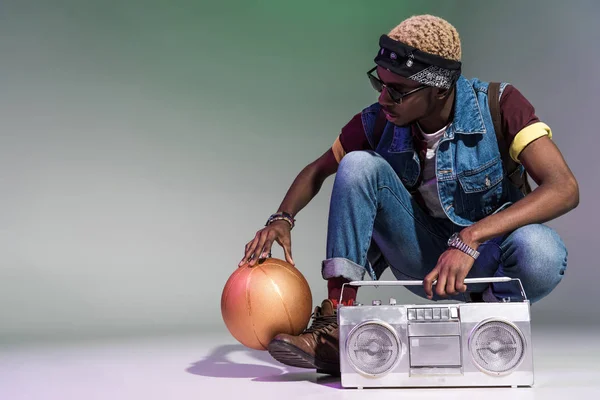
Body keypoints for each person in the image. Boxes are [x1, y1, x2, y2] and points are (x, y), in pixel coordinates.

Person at [238, 15, 579, 375]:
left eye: (398, 91)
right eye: (379, 84)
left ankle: (486, 328)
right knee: (358, 165)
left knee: (542, 251)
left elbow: (564, 188)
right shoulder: (380, 121)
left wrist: (471, 237)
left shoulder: (499, 105)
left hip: (486, 262)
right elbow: (318, 170)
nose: (384, 98)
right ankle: (337, 324)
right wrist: (281, 218)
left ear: (440, 89)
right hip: (424, 259)